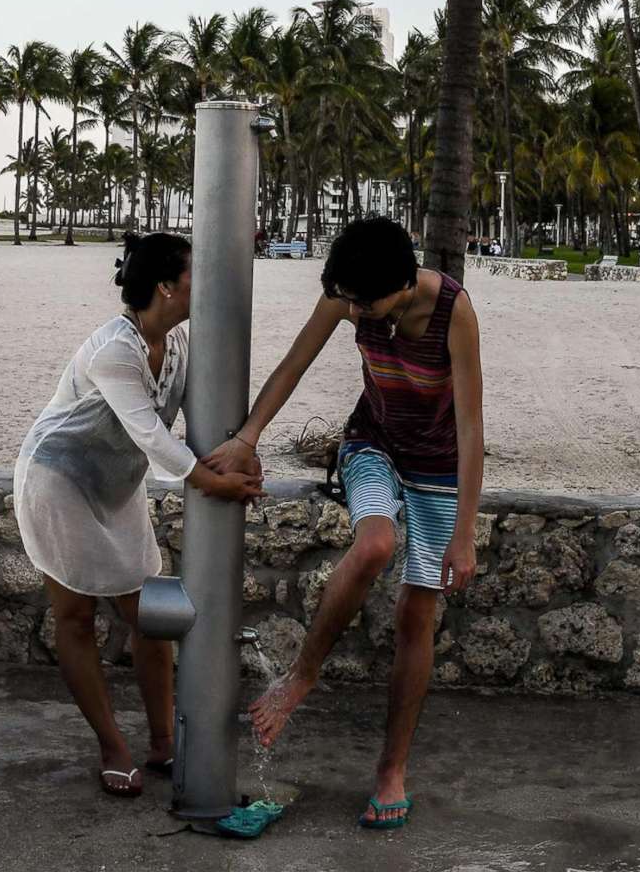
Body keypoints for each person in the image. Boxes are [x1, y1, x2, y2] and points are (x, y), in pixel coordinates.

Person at [205, 217, 484, 832]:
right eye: (349, 301)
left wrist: (464, 533)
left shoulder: (453, 312)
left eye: (367, 304)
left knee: (418, 613)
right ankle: (302, 675)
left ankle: (391, 771)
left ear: (406, 284)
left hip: (439, 464)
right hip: (372, 443)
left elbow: (471, 427)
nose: (356, 314)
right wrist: (247, 438)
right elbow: (292, 364)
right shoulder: (349, 291)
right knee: (376, 542)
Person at [14, 231, 259, 797]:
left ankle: (162, 743)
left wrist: (242, 455)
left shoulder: (179, 344)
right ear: (166, 287)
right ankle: (112, 746)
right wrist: (213, 484)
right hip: (59, 482)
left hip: (118, 490)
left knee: (152, 615)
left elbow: (206, 420)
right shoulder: (114, 350)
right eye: (196, 274)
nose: (206, 284)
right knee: (74, 617)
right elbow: (152, 437)